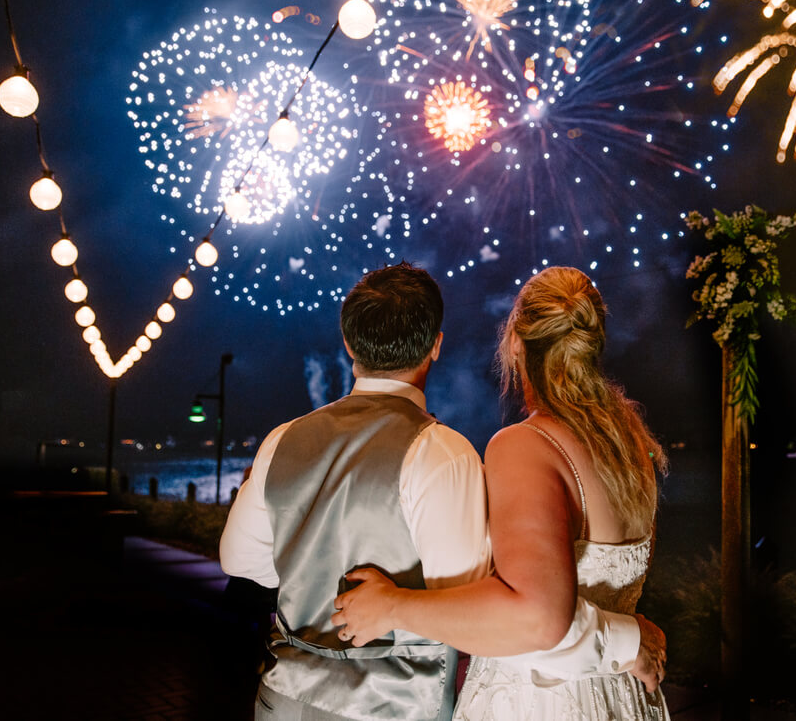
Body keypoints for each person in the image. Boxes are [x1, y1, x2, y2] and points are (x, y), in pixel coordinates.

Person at [219, 263, 657, 721]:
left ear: (349, 343)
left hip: (282, 701)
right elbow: (482, 612)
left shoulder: (280, 440)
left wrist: (316, 567)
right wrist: (628, 640)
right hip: (399, 709)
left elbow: (240, 560)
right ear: (436, 346)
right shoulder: (451, 454)